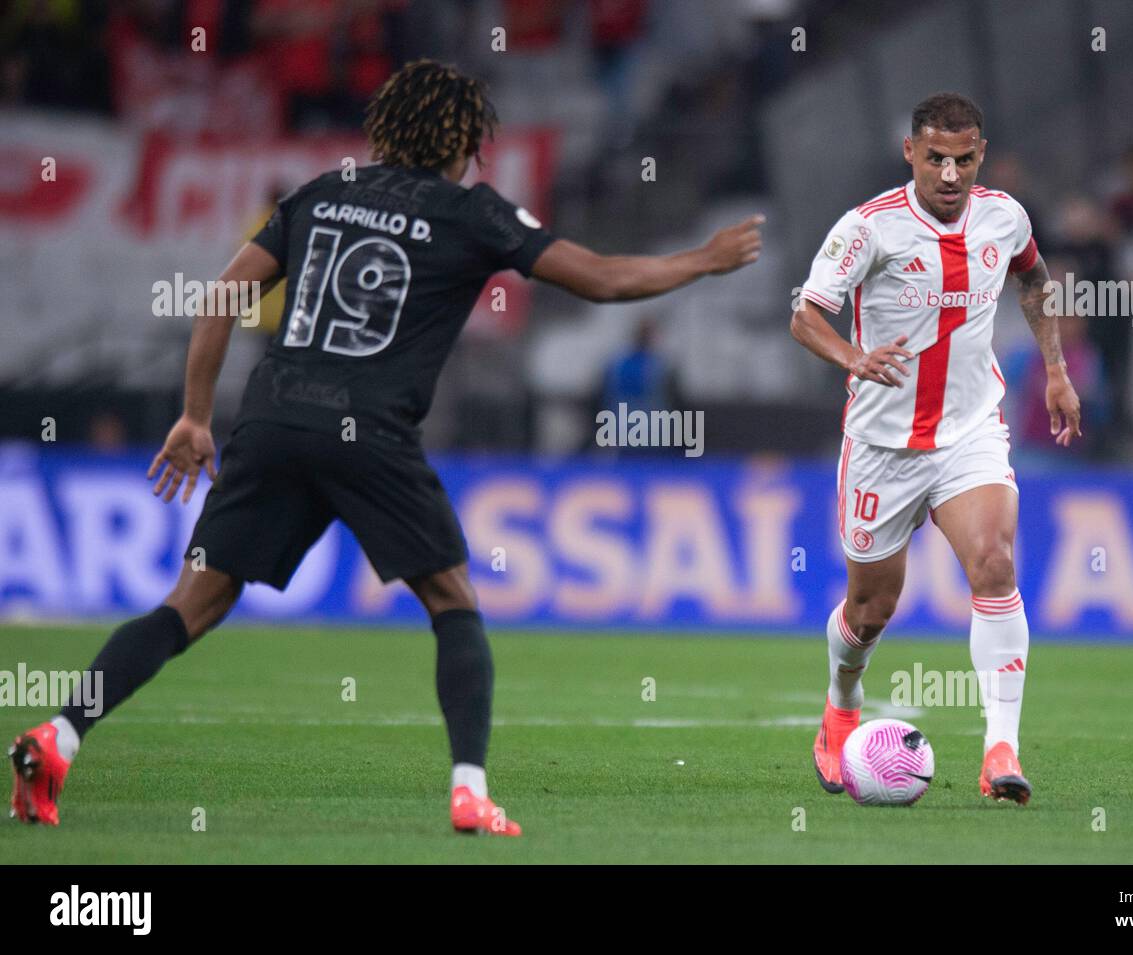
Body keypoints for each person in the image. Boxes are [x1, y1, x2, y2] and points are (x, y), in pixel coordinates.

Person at [10, 59, 763, 835]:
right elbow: (600, 279)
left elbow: (221, 297)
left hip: (271, 422)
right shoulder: (474, 212)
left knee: (190, 603)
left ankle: (57, 736)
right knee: (453, 602)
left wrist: (195, 416)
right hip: (369, 431)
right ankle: (469, 789)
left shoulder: (319, 194)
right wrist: (701, 260)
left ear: (386, 128)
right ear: (467, 140)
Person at [790, 92, 1081, 805]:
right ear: (911, 154)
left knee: (994, 560)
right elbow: (805, 314)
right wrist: (853, 357)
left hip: (970, 430)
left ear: (980, 155)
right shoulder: (869, 229)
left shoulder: (1004, 215)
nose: (950, 175)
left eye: (964, 159)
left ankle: (1000, 749)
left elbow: (1033, 278)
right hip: (883, 444)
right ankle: (840, 705)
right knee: (870, 609)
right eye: (935, 159)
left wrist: (1056, 369)